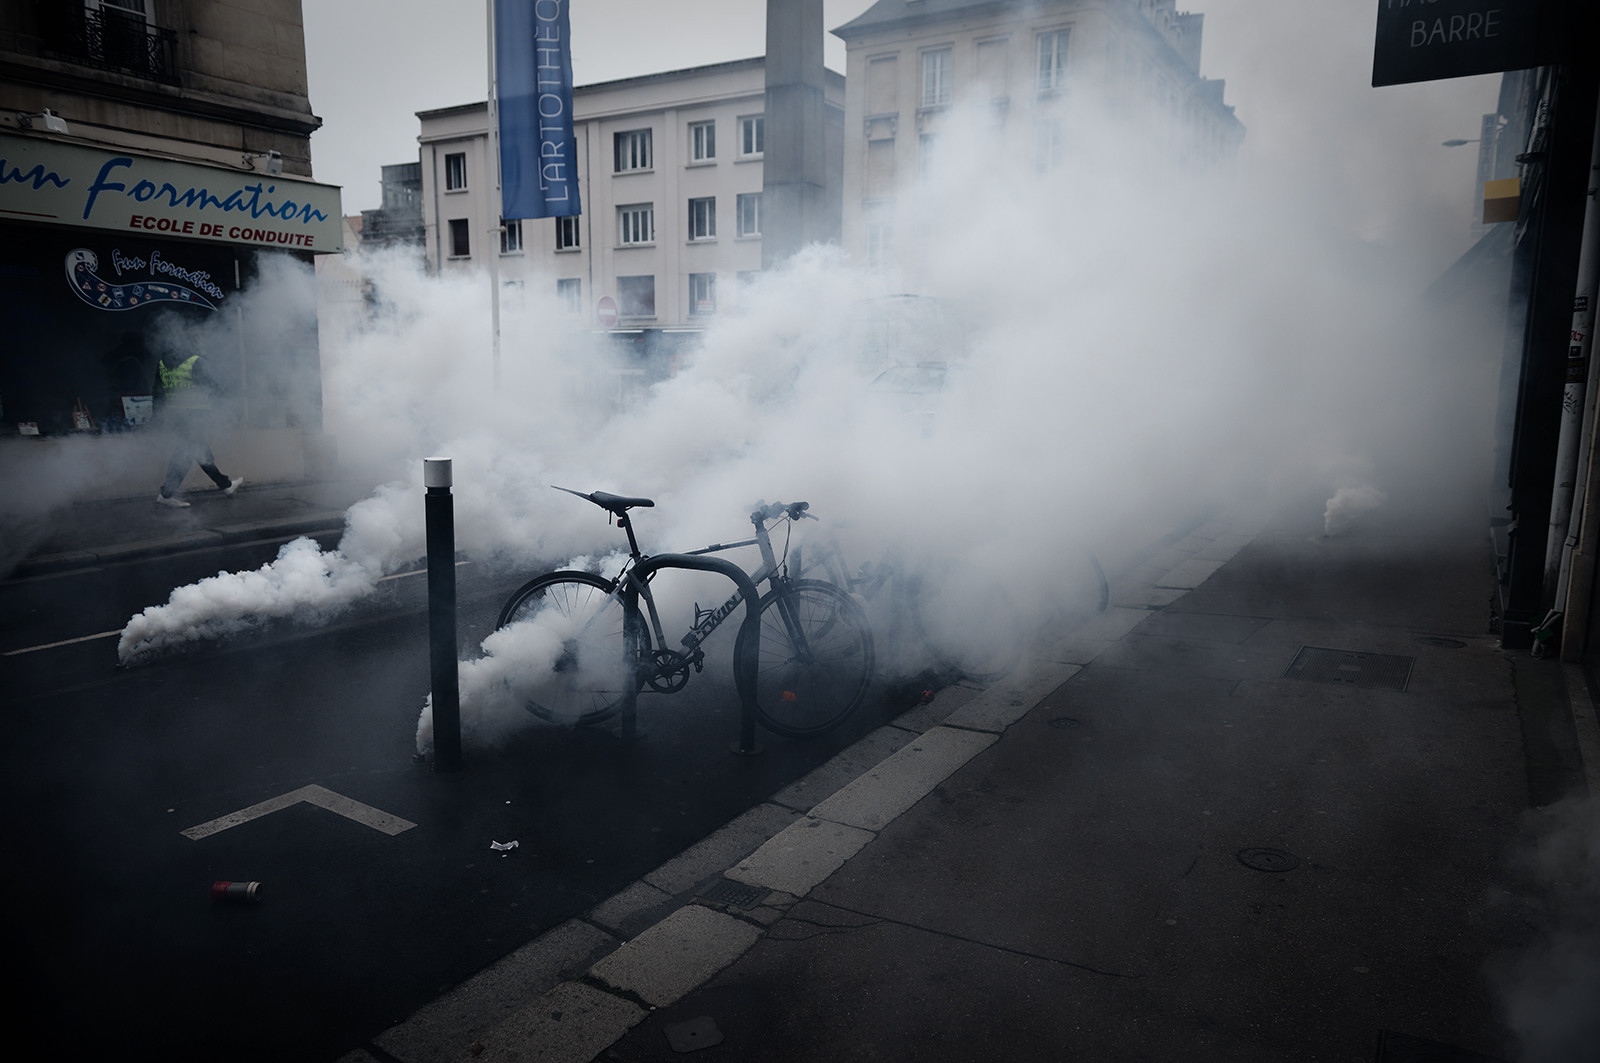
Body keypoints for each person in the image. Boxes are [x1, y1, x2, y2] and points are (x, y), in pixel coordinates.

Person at [152, 352, 243, 508]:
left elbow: (157, 393)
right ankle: (167, 493)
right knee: (186, 455)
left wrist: (157, 415)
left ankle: (226, 485)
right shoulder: (195, 362)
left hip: (176, 417)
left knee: (198, 452)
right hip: (194, 416)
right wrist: (231, 408)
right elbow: (213, 387)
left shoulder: (162, 364)